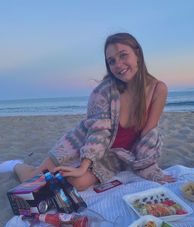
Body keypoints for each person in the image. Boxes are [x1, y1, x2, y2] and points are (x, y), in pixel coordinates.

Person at [13, 32, 175, 190]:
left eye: (123, 55)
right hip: (82, 143)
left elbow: (148, 135)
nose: (118, 65)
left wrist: (148, 169)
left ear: (137, 54)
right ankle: (17, 165)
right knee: (35, 181)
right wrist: (83, 166)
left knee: (79, 183)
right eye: (111, 61)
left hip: (114, 156)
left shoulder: (157, 89)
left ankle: (71, 169)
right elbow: (99, 132)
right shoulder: (104, 91)